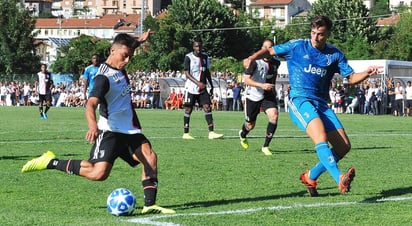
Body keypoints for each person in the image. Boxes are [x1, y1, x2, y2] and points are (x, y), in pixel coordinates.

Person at [21, 31, 175, 215]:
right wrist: (93, 126)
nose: (127, 61)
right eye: (124, 56)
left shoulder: (119, 64)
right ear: (112, 51)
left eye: (130, 56)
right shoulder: (103, 78)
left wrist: (139, 41)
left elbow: (126, 47)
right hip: (109, 130)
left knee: (150, 158)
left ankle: (149, 204)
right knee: (98, 173)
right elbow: (91, 104)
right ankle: (50, 162)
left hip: (130, 130)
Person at [243, 16, 382, 196]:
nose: (316, 37)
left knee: (343, 147)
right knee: (321, 137)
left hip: (321, 104)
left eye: (321, 34)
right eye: (313, 33)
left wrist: (367, 73)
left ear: (328, 34)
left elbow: (352, 78)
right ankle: (339, 178)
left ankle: (310, 176)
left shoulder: (334, 55)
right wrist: (252, 57)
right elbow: (269, 51)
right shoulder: (297, 46)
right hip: (300, 100)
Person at [239, 38, 281, 156]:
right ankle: (242, 134)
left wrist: (272, 88)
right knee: (250, 125)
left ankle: (266, 146)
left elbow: (273, 75)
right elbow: (246, 80)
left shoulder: (276, 62)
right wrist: (262, 85)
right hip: (253, 95)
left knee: (274, 116)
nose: (266, 49)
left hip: (268, 95)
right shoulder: (255, 62)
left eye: (269, 47)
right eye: (264, 47)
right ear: (261, 49)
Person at [182, 40, 223, 140]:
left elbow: (207, 71)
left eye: (200, 46)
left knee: (207, 107)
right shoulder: (188, 57)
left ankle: (211, 132)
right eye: (196, 47)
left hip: (202, 88)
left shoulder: (205, 57)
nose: (198, 49)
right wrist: (198, 83)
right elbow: (187, 74)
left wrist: (211, 85)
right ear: (193, 47)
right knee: (188, 109)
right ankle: (186, 133)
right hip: (191, 87)